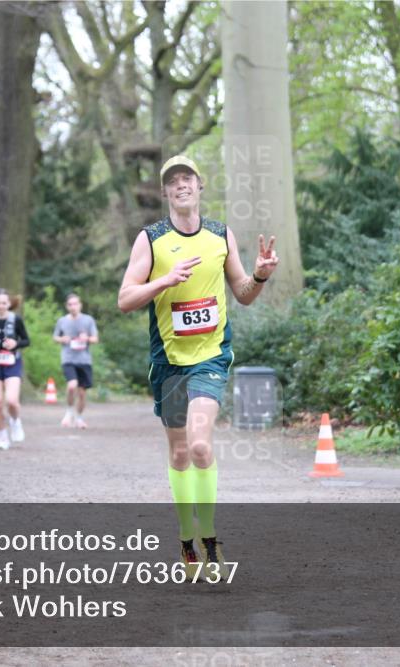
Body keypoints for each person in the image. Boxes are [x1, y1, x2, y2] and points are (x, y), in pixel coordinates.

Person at [117, 155, 279, 579]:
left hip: (210, 357)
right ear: (166, 192)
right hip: (168, 362)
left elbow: (242, 293)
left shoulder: (220, 234)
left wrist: (259, 276)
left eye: (187, 178)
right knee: (180, 451)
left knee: (201, 445)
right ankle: (186, 536)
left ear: (199, 185)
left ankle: (208, 537)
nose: (181, 186)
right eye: (173, 182)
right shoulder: (150, 239)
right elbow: (125, 299)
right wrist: (164, 281)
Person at [0, 289, 30, 449]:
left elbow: (26, 340)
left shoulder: (16, 319)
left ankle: (15, 421)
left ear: (9, 304)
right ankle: (3, 437)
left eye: (4, 303)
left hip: (12, 363)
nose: (1, 305)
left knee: (11, 401)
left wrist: (16, 344)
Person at [53, 293, 99, 429]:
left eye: (75, 304)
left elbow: (95, 339)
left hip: (84, 360)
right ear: (67, 306)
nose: (73, 307)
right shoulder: (62, 321)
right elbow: (55, 337)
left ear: (80, 305)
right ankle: (69, 411)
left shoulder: (88, 320)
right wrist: (62, 339)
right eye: (70, 304)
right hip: (68, 358)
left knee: (82, 393)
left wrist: (87, 338)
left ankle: (79, 417)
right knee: (72, 385)